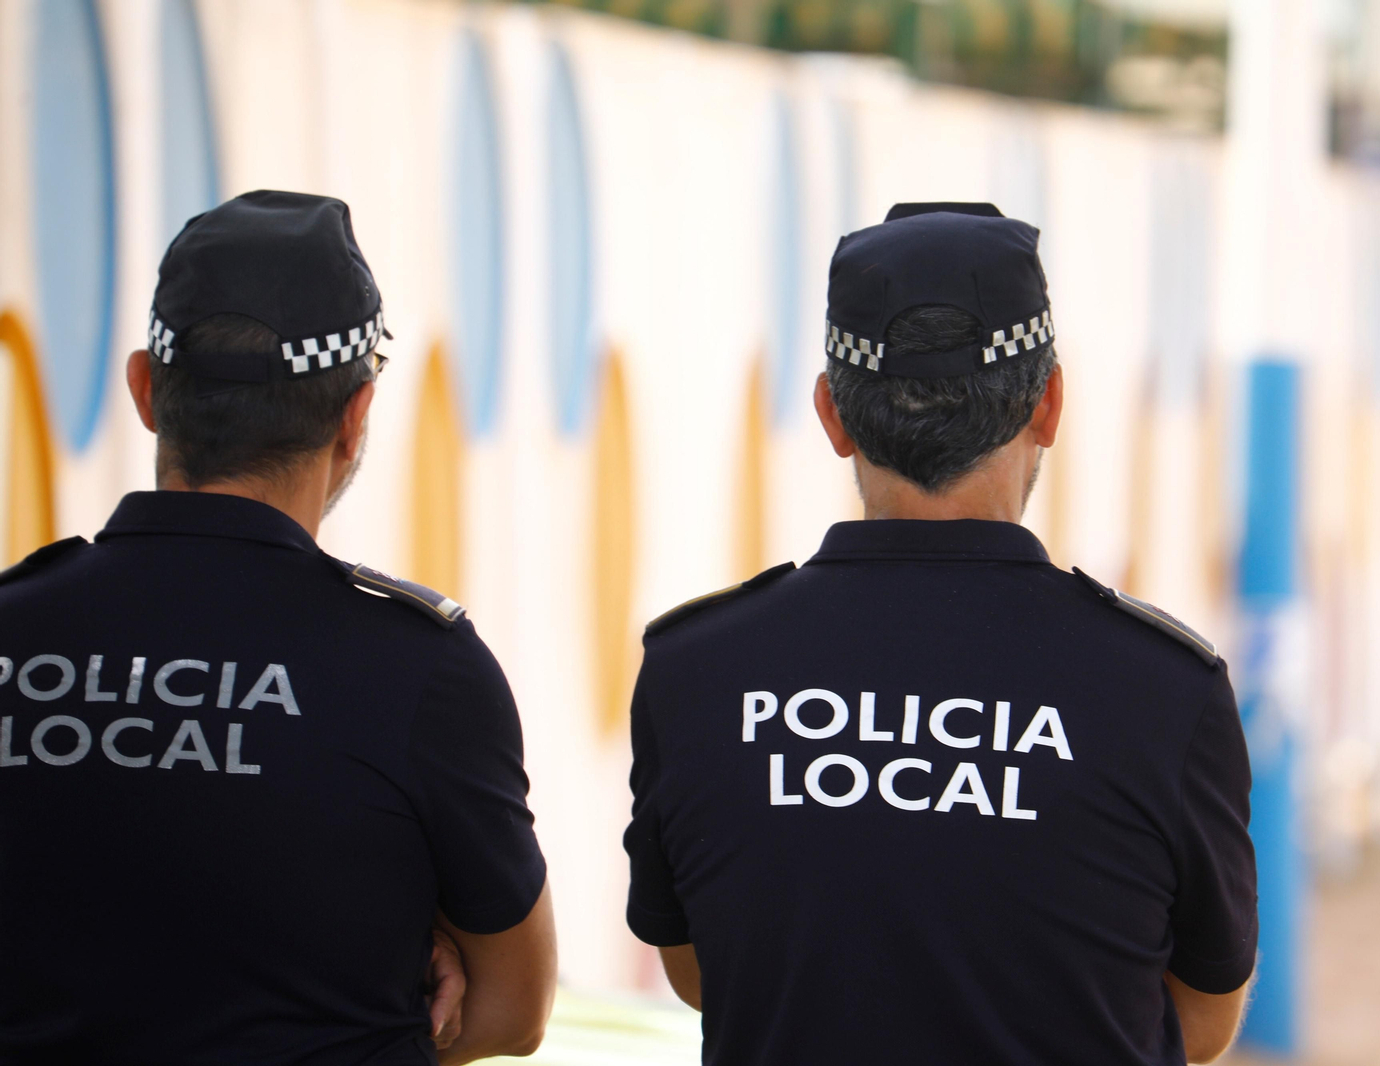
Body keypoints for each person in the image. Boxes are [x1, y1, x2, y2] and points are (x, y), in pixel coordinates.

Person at [623, 203, 1257, 1065]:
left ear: (831, 414)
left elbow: (703, 970)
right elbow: (1205, 1019)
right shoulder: (1164, 691)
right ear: (1050, 404)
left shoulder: (695, 671)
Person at [0, 191, 556, 1065]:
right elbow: (512, 1012)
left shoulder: (15, 623)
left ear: (146, 388)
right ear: (355, 414)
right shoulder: (418, 670)